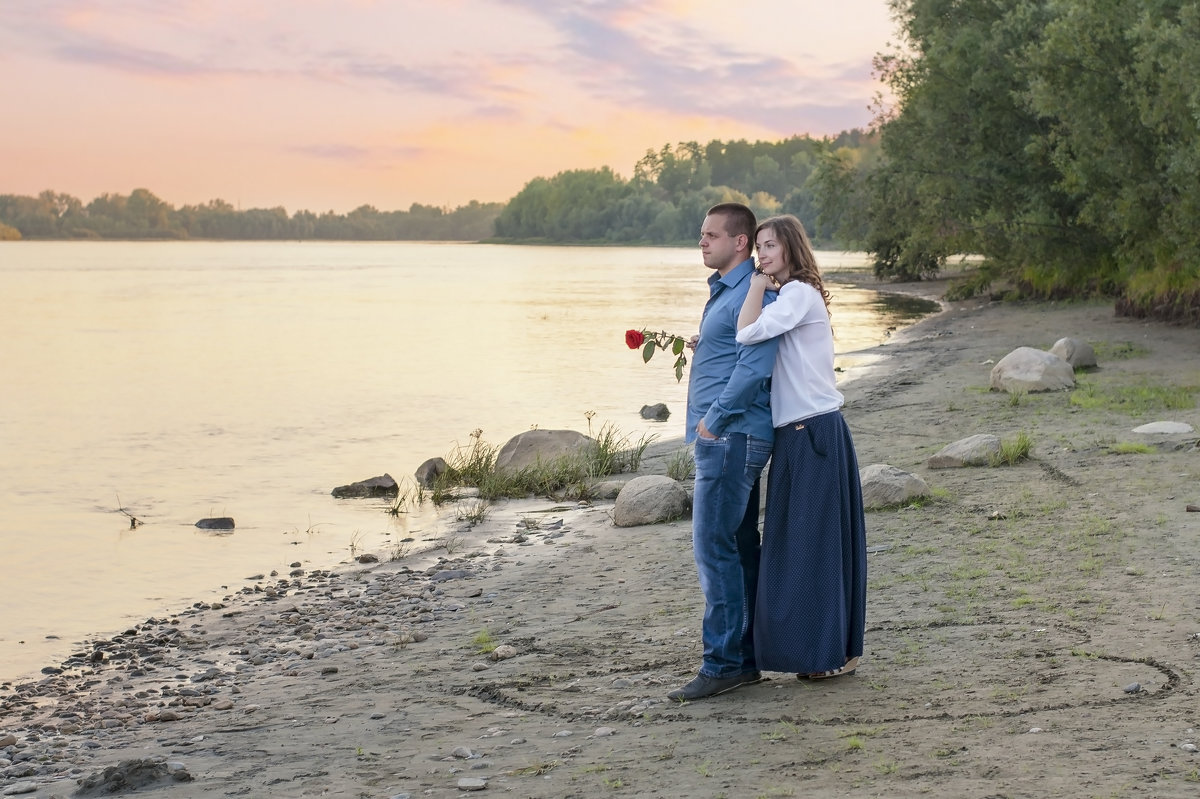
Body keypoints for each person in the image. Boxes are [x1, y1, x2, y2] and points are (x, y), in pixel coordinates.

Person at [735, 214, 867, 680]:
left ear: (790, 247)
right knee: (804, 549)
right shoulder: (790, 296)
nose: (762, 255)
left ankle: (828, 656)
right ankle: (829, 653)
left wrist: (754, 285)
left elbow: (747, 331)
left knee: (813, 550)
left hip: (811, 433)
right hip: (801, 435)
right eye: (758, 249)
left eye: (769, 246)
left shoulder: (797, 294)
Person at [667, 203, 779, 702]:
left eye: (711, 235)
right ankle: (748, 658)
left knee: (713, 548)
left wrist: (711, 423)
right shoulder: (727, 294)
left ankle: (723, 663)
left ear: (740, 242)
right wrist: (705, 348)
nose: (702, 241)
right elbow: (736, 352)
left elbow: (755, 367)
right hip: (730, 437)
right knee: (739, 547)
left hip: (732, 438)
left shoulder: (752, 292)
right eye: (700, 234)